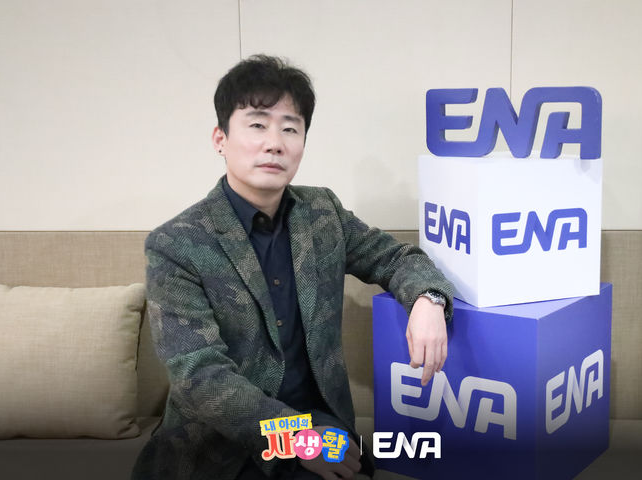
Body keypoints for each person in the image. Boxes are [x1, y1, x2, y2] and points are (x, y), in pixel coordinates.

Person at [131, 55, 454, 480]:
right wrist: (297, 439)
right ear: (220, 139)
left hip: (322, 424)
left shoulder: (322, 213)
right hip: (223, 450)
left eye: (290, 128)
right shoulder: (177, 243)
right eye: (257, 125)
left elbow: (396, 258)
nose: (275, 143)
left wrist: (429, 300)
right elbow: (199, 374)